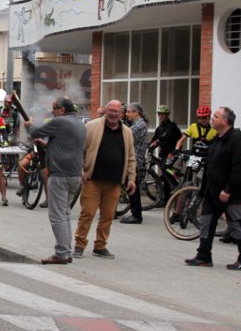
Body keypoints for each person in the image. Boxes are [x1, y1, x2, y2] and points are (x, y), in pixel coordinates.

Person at [185, 107, 241, 271]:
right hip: (212, 191)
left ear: (225, 121)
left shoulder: (236, 139)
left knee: (236, 225)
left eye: (215, 116)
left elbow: (238, 168)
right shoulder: (218, 137)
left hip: (230, 193)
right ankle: (203, 256)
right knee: (206, 222)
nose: (212, 119)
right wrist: (204, 189)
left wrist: (228, 190)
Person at [25, 97, 86, 264]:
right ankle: (66, 251)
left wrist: (29, 125)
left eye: (54, 108)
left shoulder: (60, 122)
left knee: (57, 215)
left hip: (60, 174)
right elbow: (63, 144)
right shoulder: (79, 123)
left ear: (62, 110)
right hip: (74, 174)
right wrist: (46, 146)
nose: (52, 111)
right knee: (64, 213)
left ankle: (61, 253)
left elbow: (35, 132)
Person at [74, 100, 136, 259]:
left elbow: (131, 158)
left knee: (107, 216)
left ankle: (100, 246)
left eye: (117, 111)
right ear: (106, 111)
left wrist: (132, 178)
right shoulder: (92, 127)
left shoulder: (127, 132)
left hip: (114, 182)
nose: (113, 114)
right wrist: (80, 168)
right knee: (87, 213)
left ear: (121, 114)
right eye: (111, 111)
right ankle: (79, 245)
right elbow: (79, 149)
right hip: (93, 179)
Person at [121, 103, 148, 224]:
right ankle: (135, 213)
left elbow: (125, 136)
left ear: (137, 112)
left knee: (133, 188)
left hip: (135, 161)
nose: (127, 114)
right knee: (131, 187)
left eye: (129, 112)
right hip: (134, 160)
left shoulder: (139, 125)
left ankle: (136, 215)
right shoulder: (137, 124)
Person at [149, 105, 182, 199]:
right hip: (164, 153)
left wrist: (158, 141)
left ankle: (176, 185)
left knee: (164, 167)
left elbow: (164, 136)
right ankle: (166, 200)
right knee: (165, 176)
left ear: (167, 115)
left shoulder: (171, 126)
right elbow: (154, 139)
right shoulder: (160, 128)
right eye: (159, 114)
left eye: (163, 114)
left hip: (173, 152)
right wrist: (149, 147)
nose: (161, 116)